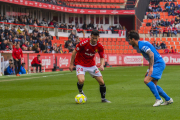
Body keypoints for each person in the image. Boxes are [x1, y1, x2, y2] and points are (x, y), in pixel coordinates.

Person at [128, 30, 173, 107]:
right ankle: (168, 99)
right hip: (158, 63)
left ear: (133, 39)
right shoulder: (142, 44)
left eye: (129, 40)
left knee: (146, 80)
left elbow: (151, 54)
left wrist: (151, 68)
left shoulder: (141, 45)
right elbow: (150, 57)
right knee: (154, 85)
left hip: (158, 64)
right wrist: (148, 70)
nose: (129, 42)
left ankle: (158, 99)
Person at [69, 30, 110, 103]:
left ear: (98, 37)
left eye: (96, 38)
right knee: (81, 80)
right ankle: (81, 91)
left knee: (101, 81)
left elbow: (102, 57)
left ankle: (103, 99)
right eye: (93, 38)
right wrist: (71, 64)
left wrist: (101, 65)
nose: (94, 40)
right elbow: (74, 51)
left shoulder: (100, 46)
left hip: (91, 65)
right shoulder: (83, 43)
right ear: (90, 36)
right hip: (80, 63)